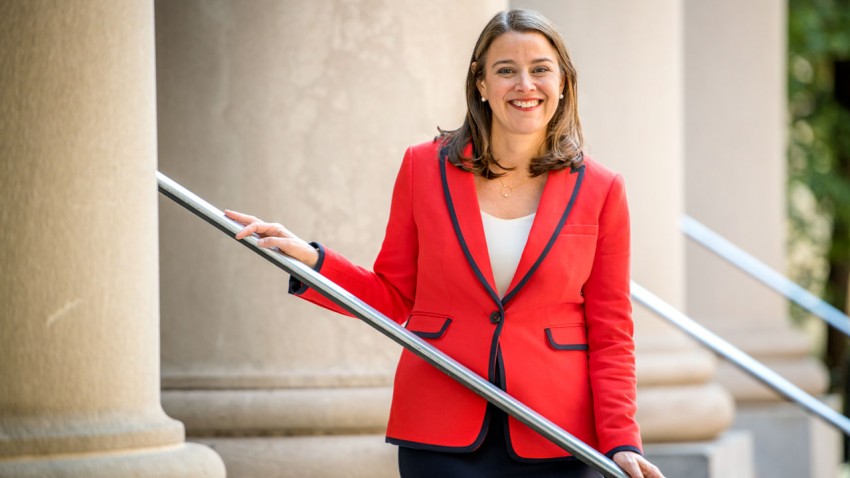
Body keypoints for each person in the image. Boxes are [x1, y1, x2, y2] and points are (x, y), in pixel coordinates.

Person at [226, 9, 664, 478]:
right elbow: (392, 295)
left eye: (540, 69)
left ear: (563, 83)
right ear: (480, 82)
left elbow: (610, 331)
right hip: (440, 423)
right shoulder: (423, 168)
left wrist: (621, 440)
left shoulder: (601, 188)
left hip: (556, 434)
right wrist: (312, 260)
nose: (525, 85)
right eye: (506, 70)